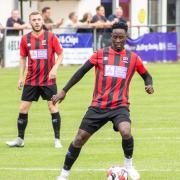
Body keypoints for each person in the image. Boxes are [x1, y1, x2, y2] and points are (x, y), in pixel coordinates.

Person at [52, 22, 154, 180]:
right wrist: (64, 91)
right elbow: (81, 71)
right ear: (111, 37)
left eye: (121, 37)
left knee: (126, 131)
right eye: (115, 37)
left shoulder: (133, 58)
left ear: (126, 37)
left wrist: (149, 84)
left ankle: (128, 165)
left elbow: (147, 75)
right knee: (79, 138)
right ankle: (64, 174)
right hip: (98, 106)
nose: (118, 40)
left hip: (120, 106)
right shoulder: (101, 54)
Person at [6, 11, 64, 148]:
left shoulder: (51, 37)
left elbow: (61, 54)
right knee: (23, 108)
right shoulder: (25, 39)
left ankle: (57, 140)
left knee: (53, 107)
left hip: (48, 81)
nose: (37, 22)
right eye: (34, 20)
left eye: (39, 19)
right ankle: (20, 140)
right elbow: (22, 58)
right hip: (31, 80)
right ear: (30, 22)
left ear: (42, 21)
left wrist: (55, 68)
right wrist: (21, 76)